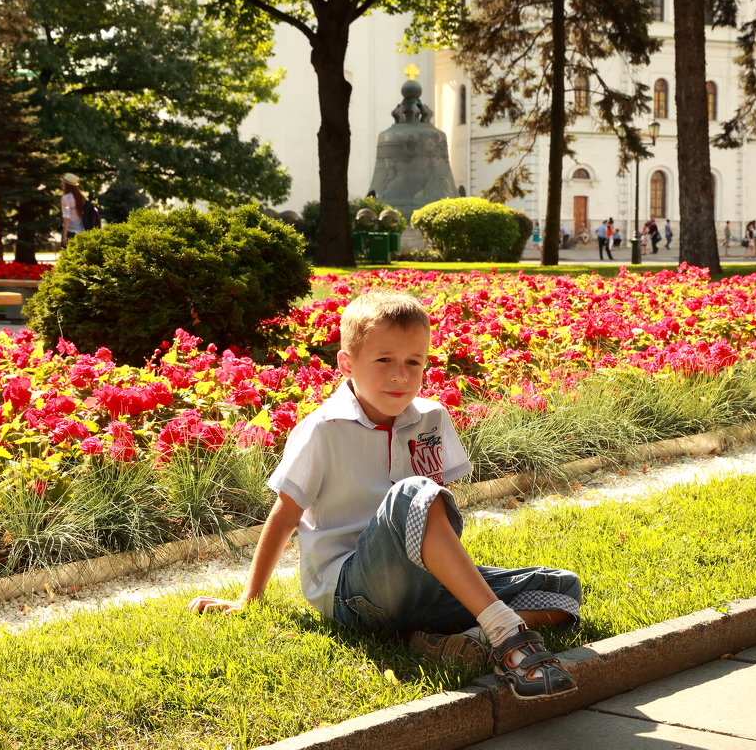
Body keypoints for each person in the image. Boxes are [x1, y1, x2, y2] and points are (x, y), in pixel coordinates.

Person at [189, 292, 580, 700]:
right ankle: (508, 637)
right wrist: (248, 598)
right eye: (384, 361)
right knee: (414, 490)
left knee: (560, 588)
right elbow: (285, 515)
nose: (401, 375)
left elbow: (437, 517)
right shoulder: (322, 429)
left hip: (421, 588)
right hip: (354, 594)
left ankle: (468, 641)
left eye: (414, 362)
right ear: (347, 364)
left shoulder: (433, 418)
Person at [61, 173, 86, 247]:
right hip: (81, 231)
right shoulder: (80, 197)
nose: (62, 184)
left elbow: (67, 217)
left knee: (67, 256)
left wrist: (64, 236)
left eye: (63, 182)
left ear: (67, 184)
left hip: (70, 232)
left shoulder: (66, 198)